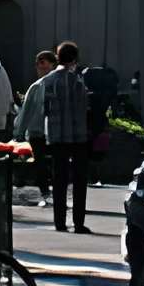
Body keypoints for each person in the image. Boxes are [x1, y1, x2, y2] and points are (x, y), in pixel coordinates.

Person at [38, 41, 94, 234]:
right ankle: (79, 222)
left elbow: (43, 108)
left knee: (59, 180)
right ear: (75, 59)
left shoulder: (49, 80)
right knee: (79, 180)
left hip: (56, 136)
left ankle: (59, 222)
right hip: (78, 136)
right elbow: (87, 108)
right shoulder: (79, 81)